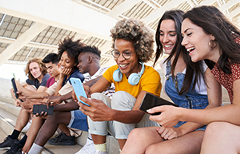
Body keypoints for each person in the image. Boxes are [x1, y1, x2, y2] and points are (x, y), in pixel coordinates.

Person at [121, 10, 221, 154]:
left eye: (172, 34)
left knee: (155, 151)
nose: (164, 39)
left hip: (204, 125)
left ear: (184, 34)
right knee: (136, 135)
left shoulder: (204, 63)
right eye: (161, 34)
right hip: (178, 123)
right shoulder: (165, 64)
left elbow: (215, 106)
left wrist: (181, 129)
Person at [145, 5, 240, 154]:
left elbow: (237, 111)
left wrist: (180, 114)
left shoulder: (237, 51)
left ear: (212, 32)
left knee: (217, 130)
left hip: (203, 125)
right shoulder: (213, 69)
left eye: (189, 34)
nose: (183, 42)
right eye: (183, 36)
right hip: (198, 124)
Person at [77, 18, 161, 154]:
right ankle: (100, 151)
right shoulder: (113, 71)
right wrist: (85, 93)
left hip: (147, 127)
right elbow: (92, 92)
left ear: (140, 52)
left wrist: (111, 114)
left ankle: (125, 151)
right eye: (117, 53)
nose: (120, 59)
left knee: (120, 96)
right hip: (121, 125)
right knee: (96, 97)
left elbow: (138, 116)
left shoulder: (151, 75)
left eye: (127, 53)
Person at [27, 44, 115, 154]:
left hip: (106, 117)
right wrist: (54, 108)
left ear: (89, 59)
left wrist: (61, 98)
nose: (78, 65)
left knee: (96, 99)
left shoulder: (107, 71)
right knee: (55, 115)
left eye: (79, 61)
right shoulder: (86, 78)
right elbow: (78, 103)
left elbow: (99, 82)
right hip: (90, 117)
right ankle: (32, 152)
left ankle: (93, 143)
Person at [0, 58, 50, 152]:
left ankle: (19, 142)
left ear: (41, 67)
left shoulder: (46, 77)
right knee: (26, 92)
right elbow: (13, 89)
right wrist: (17, 99)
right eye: (31, 70)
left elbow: (37, 96)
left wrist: (22, 92)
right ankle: (13, 137)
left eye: (35, 68)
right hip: (39, 103)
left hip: (46, 104)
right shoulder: (33, 79)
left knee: (28, 89)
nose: (33, 71)